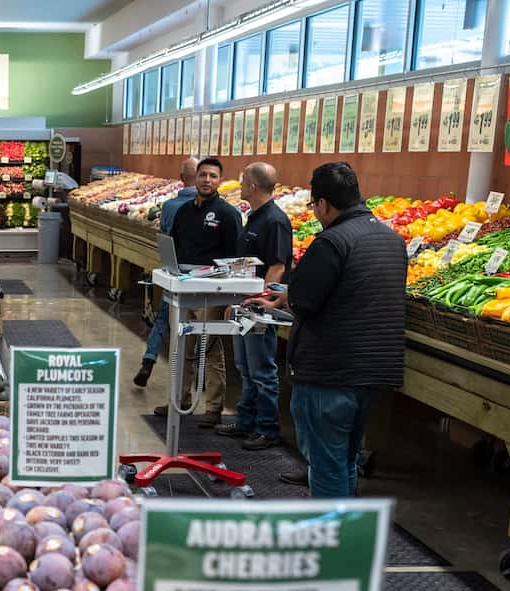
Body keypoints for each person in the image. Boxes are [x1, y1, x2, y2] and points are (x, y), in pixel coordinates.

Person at [271, 162, 406, 498]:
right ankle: (345, 539)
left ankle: (331, 543)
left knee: (327, 464)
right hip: (373, 374)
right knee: (345, 459)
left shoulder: (331, 242)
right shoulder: (393, 240)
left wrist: (289, 297)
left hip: (330, 374)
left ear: (323, 204)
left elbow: (304, 303)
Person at [157, 157, 242, 428]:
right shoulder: (183, 212)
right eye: (203, 175)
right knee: (181, 345)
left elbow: (234, 257)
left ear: (220, 181)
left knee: (211, 349)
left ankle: (213, 407)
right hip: (183, 288)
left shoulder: (228, 214)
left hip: (211, 291)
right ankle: (180, 399)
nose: (207, 180)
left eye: (213, 176)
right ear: (195, 177)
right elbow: (176, 246)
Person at [216, 162, 291, 450]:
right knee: (244, 366)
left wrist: (258, 304)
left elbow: (278, 266)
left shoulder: (275, 220)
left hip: (258, 306)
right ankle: (246, 420)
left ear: (253, 186)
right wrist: (235, 300)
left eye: (243, 179)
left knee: (262, 369)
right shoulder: (255, 217)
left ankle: (267, 428)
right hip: (245, 303)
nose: (240, 183)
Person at [134, 156, 198, 387]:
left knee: (164, 316)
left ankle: (149, 360)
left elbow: (163, 235)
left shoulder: (170, 206)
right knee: (195, 323)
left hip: (172, 269)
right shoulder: (204, 207)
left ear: (181, 178)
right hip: (199, 276)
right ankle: (189, 374)